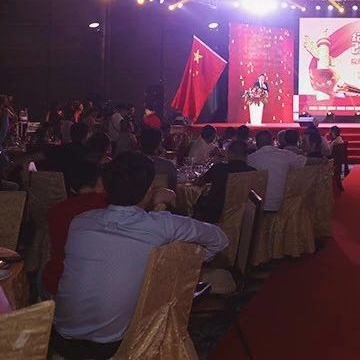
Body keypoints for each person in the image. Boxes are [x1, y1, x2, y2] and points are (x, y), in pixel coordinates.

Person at [53, 152, 228, 358]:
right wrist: (186, 261)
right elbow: (220, 239)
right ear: (148, 191)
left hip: (61, 339)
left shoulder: (80, 222)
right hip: (113, 347)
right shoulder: (162, 225)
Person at [41, 160, 108, 297]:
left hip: (59, 283)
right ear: (99, 181)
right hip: (102, 284)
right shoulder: (111, 206)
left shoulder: (57, 210)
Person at [247, 130, 323, 212]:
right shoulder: (286, 155)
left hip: (259, 205)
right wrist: (324, 160)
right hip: (283, 204)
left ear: (257, 143)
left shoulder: (250, 159)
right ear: (272, 142)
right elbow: (308, 161)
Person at [194, 140, 256, 224]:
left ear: (229, 153)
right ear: (246, 155)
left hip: (216, 212)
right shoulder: (253, 172)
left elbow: (199, 182)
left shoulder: (218, 168)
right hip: (243, 215)